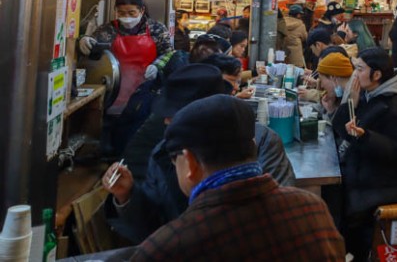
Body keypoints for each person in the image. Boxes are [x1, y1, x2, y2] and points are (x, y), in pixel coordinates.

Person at [127, 95, 344, 261]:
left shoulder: (166, 248)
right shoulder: (312, 208)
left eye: (175, 163)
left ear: (190, 163)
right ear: (252, 145)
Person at [104, 64, 295, 243]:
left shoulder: (260, 142)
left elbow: (277, 214)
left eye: (174, 115)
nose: (166, 122)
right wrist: (127, 196)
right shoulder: (165, 153)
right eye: (167, 116)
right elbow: (151, 228)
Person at [332, 48, 397, 261]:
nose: (355, 74)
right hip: (371, 174)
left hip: (389, 185)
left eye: (360, 69)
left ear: (377, 75)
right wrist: (350, 102)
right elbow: (340, 128)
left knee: (338, 205)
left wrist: (365, 138)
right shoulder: (368, 96)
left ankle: (355, 253)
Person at [80, 0, 173, 114]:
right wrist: (84, 40)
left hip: (148, 91)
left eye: (132, 13)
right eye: (121, 13)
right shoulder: (108, 30)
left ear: (142, 10)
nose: (127, 17)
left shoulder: (157, 29)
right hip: (115, 91)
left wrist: (157, 66)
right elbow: (93, 45)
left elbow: (169, 53)